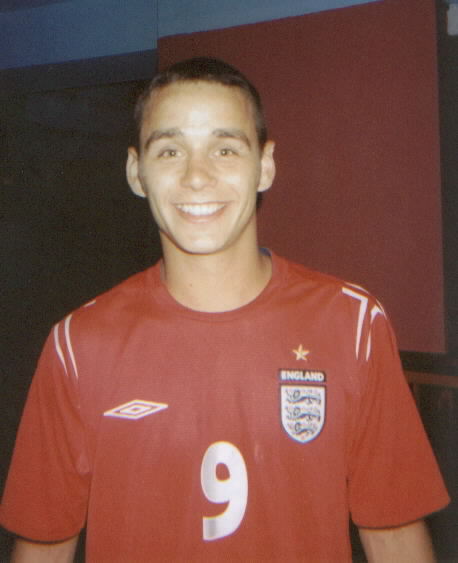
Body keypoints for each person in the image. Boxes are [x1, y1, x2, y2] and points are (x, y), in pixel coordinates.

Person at [0, 57, 449, 562]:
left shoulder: (353, 324)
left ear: (265, 165)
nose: (197, 177)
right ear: (136, 172)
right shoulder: (79, 343)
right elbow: (44, 545)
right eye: (170, 151)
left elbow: (393, 534)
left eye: (225, 149)